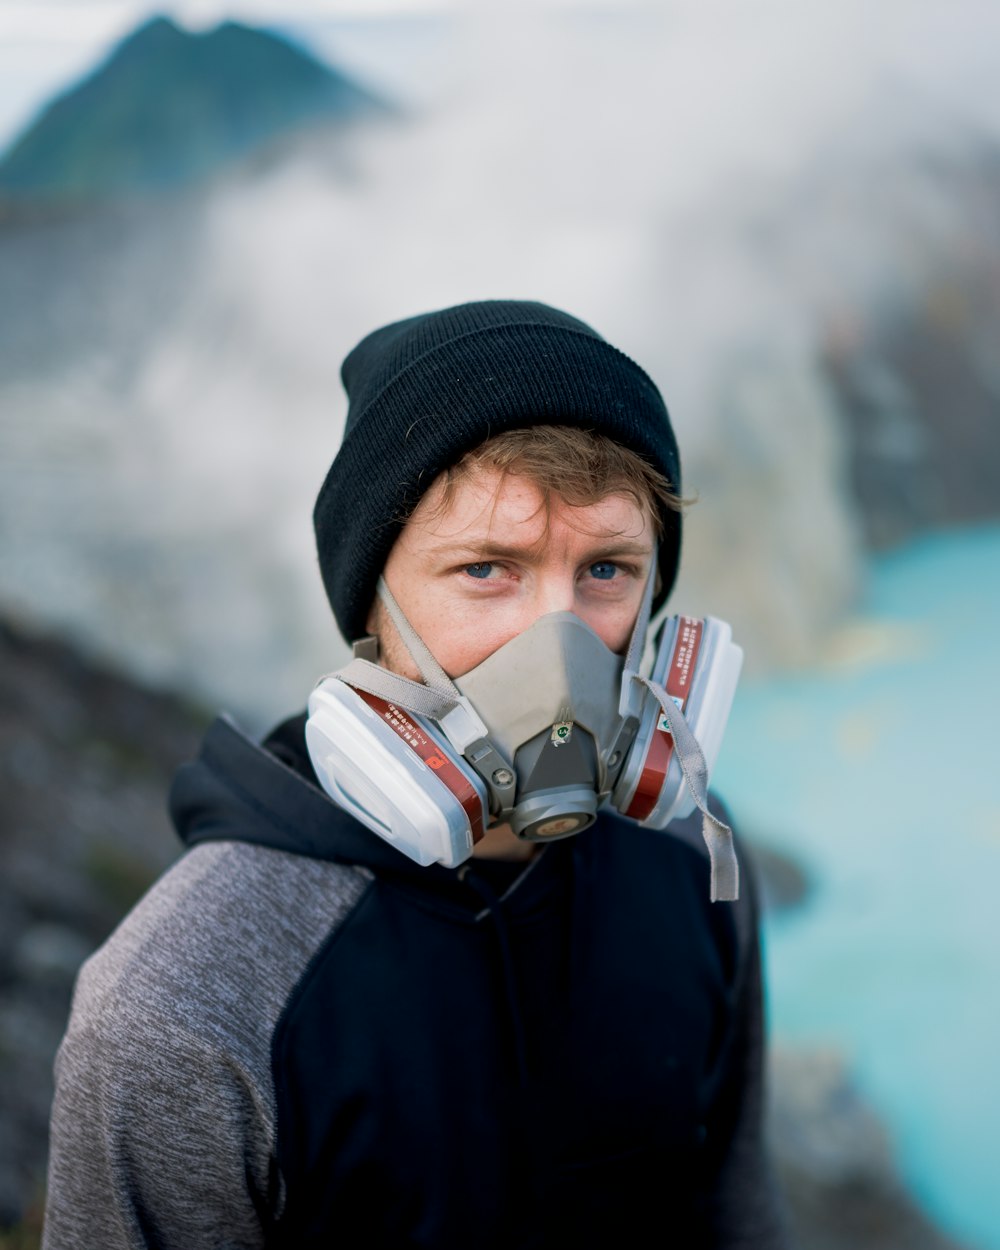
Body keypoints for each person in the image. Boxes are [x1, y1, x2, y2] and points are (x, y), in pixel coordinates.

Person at [41, 299, 792, 1248]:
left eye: (607, 569)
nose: (556, 639)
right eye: (486, 568)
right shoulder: (181, 1008)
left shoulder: (694, 857)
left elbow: (739, 1222)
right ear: (372, 603)